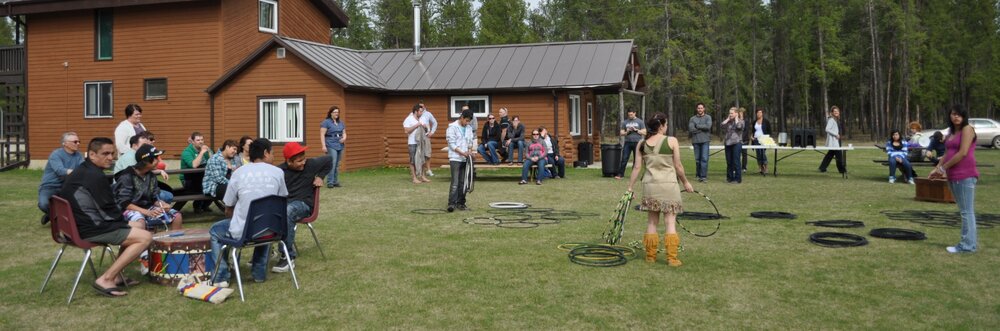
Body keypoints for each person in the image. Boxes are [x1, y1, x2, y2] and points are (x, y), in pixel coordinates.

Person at [59, 137, 152, 297]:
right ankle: (106, 279)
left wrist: (126, 223)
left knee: (139, 225)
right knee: (145, 237)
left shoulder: (83, 170)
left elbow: (105, 209)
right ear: (92, 155)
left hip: (78, 225)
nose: (110, 157)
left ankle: (116, 276)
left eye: (112, 153)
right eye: (105, 154)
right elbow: (109, 210)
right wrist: (124, 223)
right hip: (91, 228)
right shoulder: (95, 176)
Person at [210, 138, 288, 287]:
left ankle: (221, 277)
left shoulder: (238, 173)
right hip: (273, 230)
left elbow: (228, 207)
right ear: (265, 153)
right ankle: (259, 274)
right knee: (265, 221)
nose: (274, 156)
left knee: (215, 230)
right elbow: (281, 199)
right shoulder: (278, 172)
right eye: (273, 153)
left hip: (245, 232)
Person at [626, 113, 695, 266]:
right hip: (669, 185)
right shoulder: (672, 141)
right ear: (662, 125)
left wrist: (630, 187)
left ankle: (650, 256)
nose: (667, 126)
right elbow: (678, 166)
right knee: (670, 222)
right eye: (666, 124)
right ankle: (672, 258)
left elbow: (637, 167)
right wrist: (685, 182)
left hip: (650, 186)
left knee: (652, 222)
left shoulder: (641, 144)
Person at [929, 106, 979, 254]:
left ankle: (967, 245)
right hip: (953, 174)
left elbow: (963, 152)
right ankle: (967, 243)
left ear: (964, 116)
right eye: (953, 114)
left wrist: (943, 169)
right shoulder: (952, 132)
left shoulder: (967, 129)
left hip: (965, 174)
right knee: (964, 210)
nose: (956, 117)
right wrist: (937, 167)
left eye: (959, 114)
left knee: (966, 211)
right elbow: (948, 152)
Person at [275, 142, 332, 272]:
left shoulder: (311, 164)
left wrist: (320, 177)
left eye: (304, 159)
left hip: (303, 205)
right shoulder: (279, 172)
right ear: (289, 161)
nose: (303, 163)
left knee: (288, 211)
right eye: (299, 161)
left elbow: (329, 159)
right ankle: (264, 252)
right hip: (285, 204)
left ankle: (287, 257)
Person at [113, 144, 184, 230]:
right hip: (127, 210)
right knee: (140, 222)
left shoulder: (151, 176)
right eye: (156, 158)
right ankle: (143, 241)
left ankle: (174, 243)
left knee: (177, 216)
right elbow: (125, 203)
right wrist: (147, 212)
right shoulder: (127, 176)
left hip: (147, 208)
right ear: (145, 161)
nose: (159, 161)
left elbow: (154, 198)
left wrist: (163, 205)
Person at [38, 132, 84, 225]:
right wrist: (78, 172)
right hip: (50, 186)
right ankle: (53, 215)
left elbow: (83, 169)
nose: (78, 143)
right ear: (65, 143)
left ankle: (52, 215)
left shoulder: (79, 155)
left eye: (79, 141)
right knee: (43, 204)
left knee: (81, 203)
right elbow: (60, 171)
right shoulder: (56, 154)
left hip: (67, 186)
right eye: (75, 142)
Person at [446, 109, 475, 212]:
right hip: (455, 158)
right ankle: (451, 203)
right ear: (462, 117)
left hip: (465, 159)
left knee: (463, 182)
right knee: (455, 182)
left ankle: (461, 203)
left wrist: (470, 151)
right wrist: (463, 153)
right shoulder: (452, 127)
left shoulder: (469, 128)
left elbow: (470, 142)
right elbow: (452, 144)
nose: (467, 123)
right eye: (466, 120)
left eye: (469, 121)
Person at [180, 132, 213, 212]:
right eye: (198, 140)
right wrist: (201, 152)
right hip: (188, 179)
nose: (201, 142)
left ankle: (204, 206)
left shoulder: (206, 149)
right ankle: (197, 206)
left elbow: (213, 162)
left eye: (202, 139)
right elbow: (194, 165)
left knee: (214, 186)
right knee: (204, 188)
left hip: (202, 177)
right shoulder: (186, 152)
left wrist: (209, 152)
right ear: (193, 141)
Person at [616, 109, 647, 179]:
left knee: (636, 160)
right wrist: (627, 132)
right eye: (629, 115)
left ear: (635, 113)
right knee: (624, 158)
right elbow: (621, 133)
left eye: (631, 114)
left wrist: (636, 130)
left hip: (637, 143)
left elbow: (645, 132)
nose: (630, 116)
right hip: (628, 143)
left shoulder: (640, 121)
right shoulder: (625, 122)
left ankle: (634, 175)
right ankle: (620, 175)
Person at [403, 104, 430, 184]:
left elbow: (426, 131)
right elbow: (406, 131)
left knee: (422, 159)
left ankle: (422, 176)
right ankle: (414, 178)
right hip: (412, 143)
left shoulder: (422, 119)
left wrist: (425, 127)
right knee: (412, 161)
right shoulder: (409, 119)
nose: (422, 113)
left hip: (421, 143)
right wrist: (416, 125)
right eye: (421, 111)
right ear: (416, 111)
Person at [320, 106, 346, 187]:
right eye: (335, 112)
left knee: (337, 164)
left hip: (340, 144)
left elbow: (344, 132)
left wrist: (344, 138)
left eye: (337, 112)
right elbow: (322, 135)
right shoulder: (326, 122)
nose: (336, 114)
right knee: (333, 163)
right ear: (331, 113)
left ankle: (335, 181)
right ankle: (330, 182)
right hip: (330, 144)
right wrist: (323, 146)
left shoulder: (341, 122)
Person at [818, 106, 847, 174]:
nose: (836, 112)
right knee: (839, 156)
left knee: (830, 155)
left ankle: (822, 168)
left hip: (837, 141)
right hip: (834, 141)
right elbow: (827, 129)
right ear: (832, 113)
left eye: (837, 111)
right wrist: (836, 134)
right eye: (835, 111)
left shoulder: (836, 119)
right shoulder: (831, 120)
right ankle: (842, 170)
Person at [688, 103, 712, 182]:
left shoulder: (708, 117)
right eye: (698, 108)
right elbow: (691, 129)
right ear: (696, 109)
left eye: (701, 108)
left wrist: (697, 126)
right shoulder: (692, 118)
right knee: (698, 159)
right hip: (696, 141)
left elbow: (708, 127)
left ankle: (703, 176)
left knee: (704, 159)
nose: (700, 109)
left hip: (705, 141)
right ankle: (698, 174)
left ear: (704, 109)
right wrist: (702, 128)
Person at [721, 107, 744, 184]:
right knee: (729, 162)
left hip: (736, 143)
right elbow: (722, 126)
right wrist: (728, 119)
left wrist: (737, 118)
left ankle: (737, 179)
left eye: (732, 113)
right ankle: (730, 178)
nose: (730, 114)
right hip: (728, 143)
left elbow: (739, 127)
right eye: (729, 113)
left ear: (736, 113)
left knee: (736, 161)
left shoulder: (741, 121)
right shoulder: (728, 122)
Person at [750, 108, 772, 175]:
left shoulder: (766, 121)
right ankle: (760, 168)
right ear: (756, 114)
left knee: (763, 154)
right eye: (758, 112)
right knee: (758, 154)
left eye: (760, 112)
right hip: (756, 140)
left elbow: (769, 131)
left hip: (763, 139)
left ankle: (766, 168)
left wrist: (767, 138)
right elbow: (753, 131)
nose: (759, 114)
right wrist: (751, 137)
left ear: (762, 113)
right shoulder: (754, 122)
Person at [419, 102, 438, 177]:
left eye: (422, 106)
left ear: (424, 106)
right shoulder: (413, 114)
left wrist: (432, 132)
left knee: (427, 154)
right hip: (417, 137)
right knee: (419, 153)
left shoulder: (428, 114)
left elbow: (435, 123)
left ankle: (428, 170)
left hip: (426, 136)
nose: (421, 107)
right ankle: (419, 170)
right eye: (419, 106)